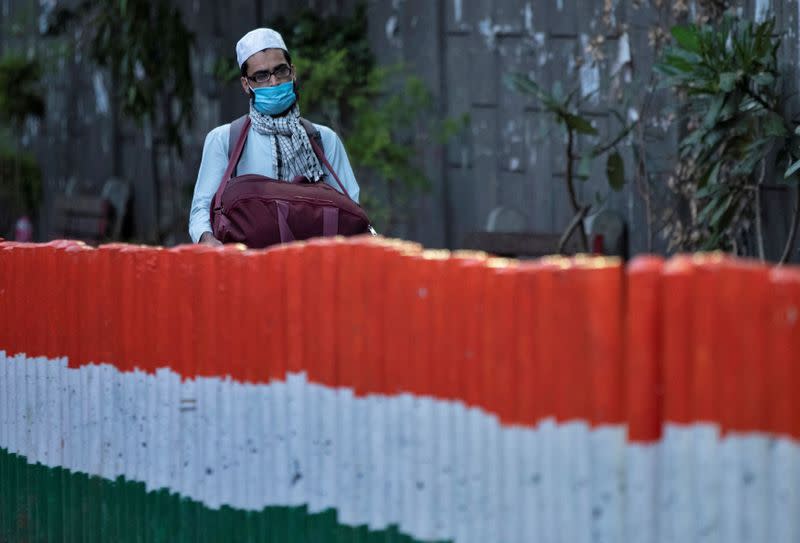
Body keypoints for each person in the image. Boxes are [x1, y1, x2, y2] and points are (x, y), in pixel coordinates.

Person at [189, 28, 361, 245]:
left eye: (281, 71)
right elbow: (201, 211)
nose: (273, 82)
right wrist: (209, 241)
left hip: (313, 270)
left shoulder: (323, 139)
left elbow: (350, 208)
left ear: (293, 72)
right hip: (248, 270)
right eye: (261, 76)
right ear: (246, 84)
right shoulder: (225, 140)